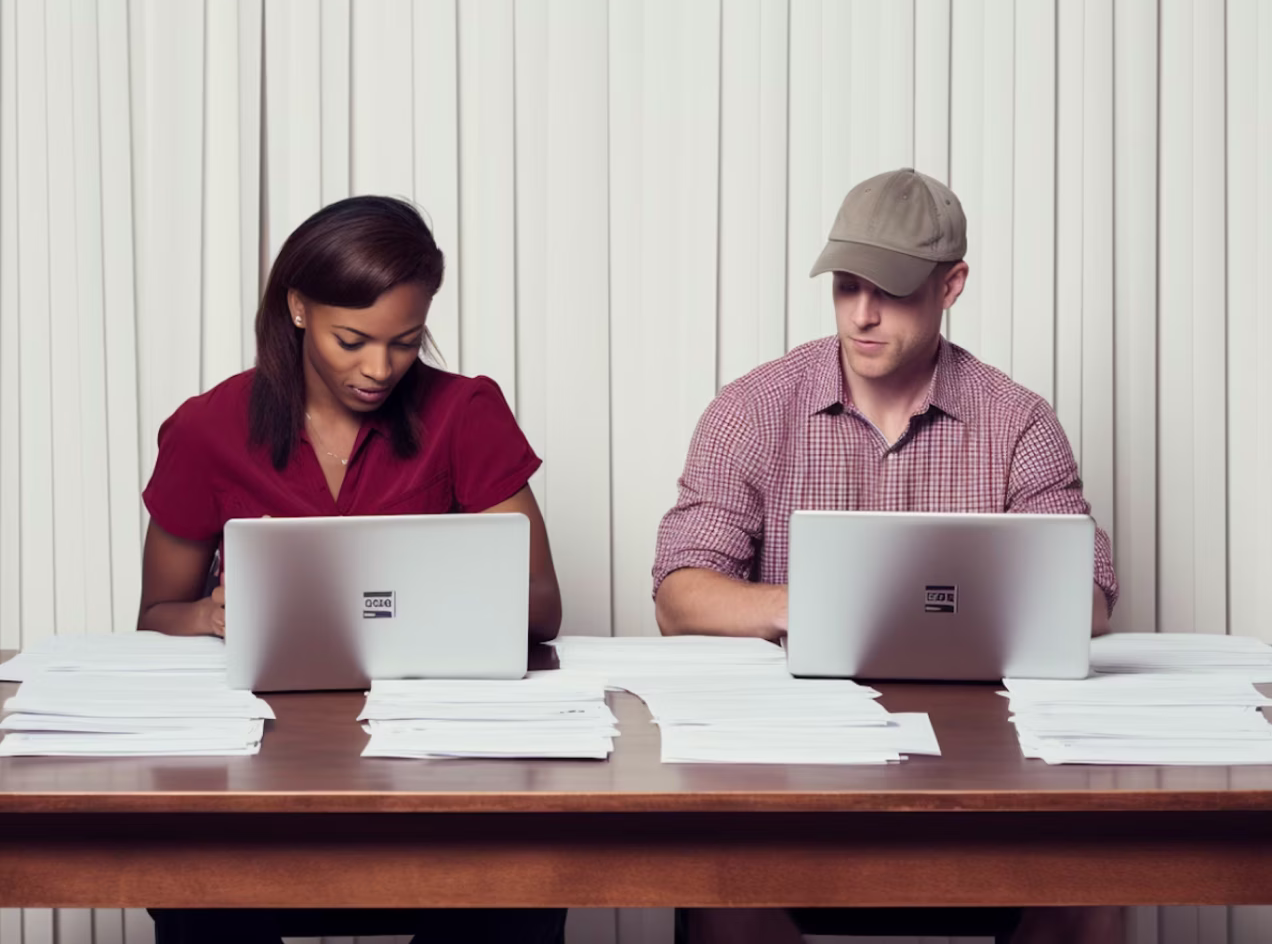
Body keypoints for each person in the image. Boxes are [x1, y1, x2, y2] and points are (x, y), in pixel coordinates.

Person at [653, 168, 1121, 944]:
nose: (862, 315)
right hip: (791, 764)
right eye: (846, 286)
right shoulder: (753, 408)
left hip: (987, 770)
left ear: (952, 285)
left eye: (894, 291)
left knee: (1096, 880)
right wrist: (819, 608)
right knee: (721, 876)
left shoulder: (1018, 423)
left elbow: (1091, 598)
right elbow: (679, 595)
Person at [138, 195, 565, 944]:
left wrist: (449, 604)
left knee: (522, 878)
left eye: (404, 341)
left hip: (441, 760)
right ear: (298, 307)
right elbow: (154, 617)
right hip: (260, 763)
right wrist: (212, 615)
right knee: (193, 881)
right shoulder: (208, 427)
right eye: (352, 340)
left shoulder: (466, 411)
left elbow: (542, 607)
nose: (379, 369)